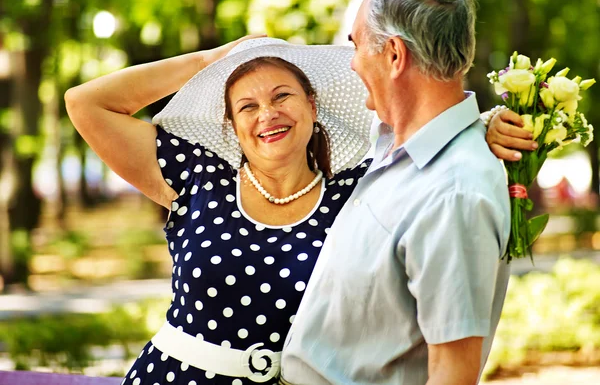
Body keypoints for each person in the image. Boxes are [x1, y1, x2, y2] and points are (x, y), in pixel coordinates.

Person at [65, 33, 530, 383]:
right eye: (246, 106)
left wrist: (479, 129)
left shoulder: (363, 187)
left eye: (281, 96)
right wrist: (213, 60)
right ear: (232, 125)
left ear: (312, 105)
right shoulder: (197, 176)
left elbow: (427, 148)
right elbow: (86, 103)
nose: (267, 114)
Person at [279, 0, 529, 385]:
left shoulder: (454, 192)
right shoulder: (390, 148)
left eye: (356, 45)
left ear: (394, 55)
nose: (354, 63)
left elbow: (452, 373)